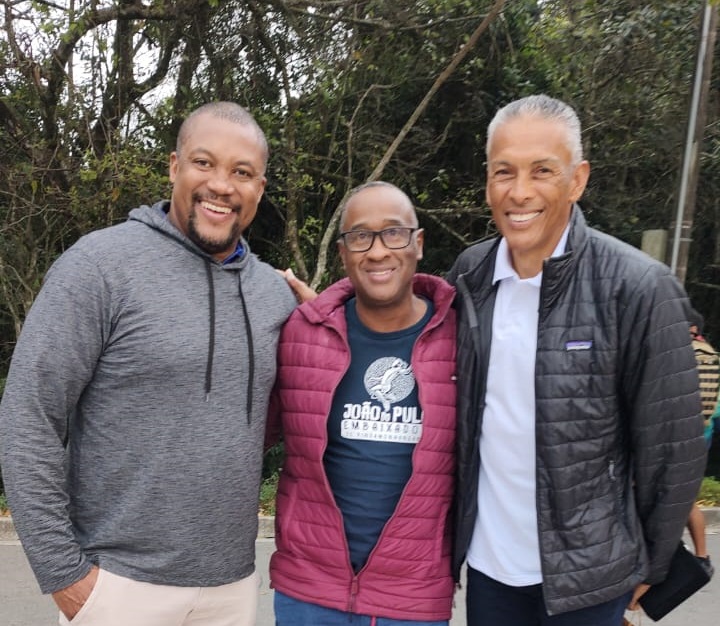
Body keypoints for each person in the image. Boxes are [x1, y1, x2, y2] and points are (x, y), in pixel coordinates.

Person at [0, 102, 297, 625]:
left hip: (232, 588)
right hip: (118, 588)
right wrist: (65, 575)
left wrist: (331, 324)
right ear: (174, 167)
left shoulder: (274, 295)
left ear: (260, 188)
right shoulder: (99, 266)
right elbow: (29, 416)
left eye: (242, 172)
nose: (222, 186)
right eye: (204, 163)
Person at [446, 94, 707, 626]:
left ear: (577, 179)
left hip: (590, 578)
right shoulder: (470, 275)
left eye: (542, 171)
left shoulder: (638, 287)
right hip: (491, 570)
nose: (519, 192)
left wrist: (652, 564)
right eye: (504, 172)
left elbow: (672, 448)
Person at [267, 181, 457, 625]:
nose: (377, 251)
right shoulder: (300, 334)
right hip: (308, 593)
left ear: (419, 243)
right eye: (360, 237)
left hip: (411, 599)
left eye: (394, 232)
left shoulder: (462, 336)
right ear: (343, 252)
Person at [685, 309, 718, 577]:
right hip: (701, 439)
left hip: (675, 440)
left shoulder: (681, 355)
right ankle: (701, 555)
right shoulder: (713, 358)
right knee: (686, 498)